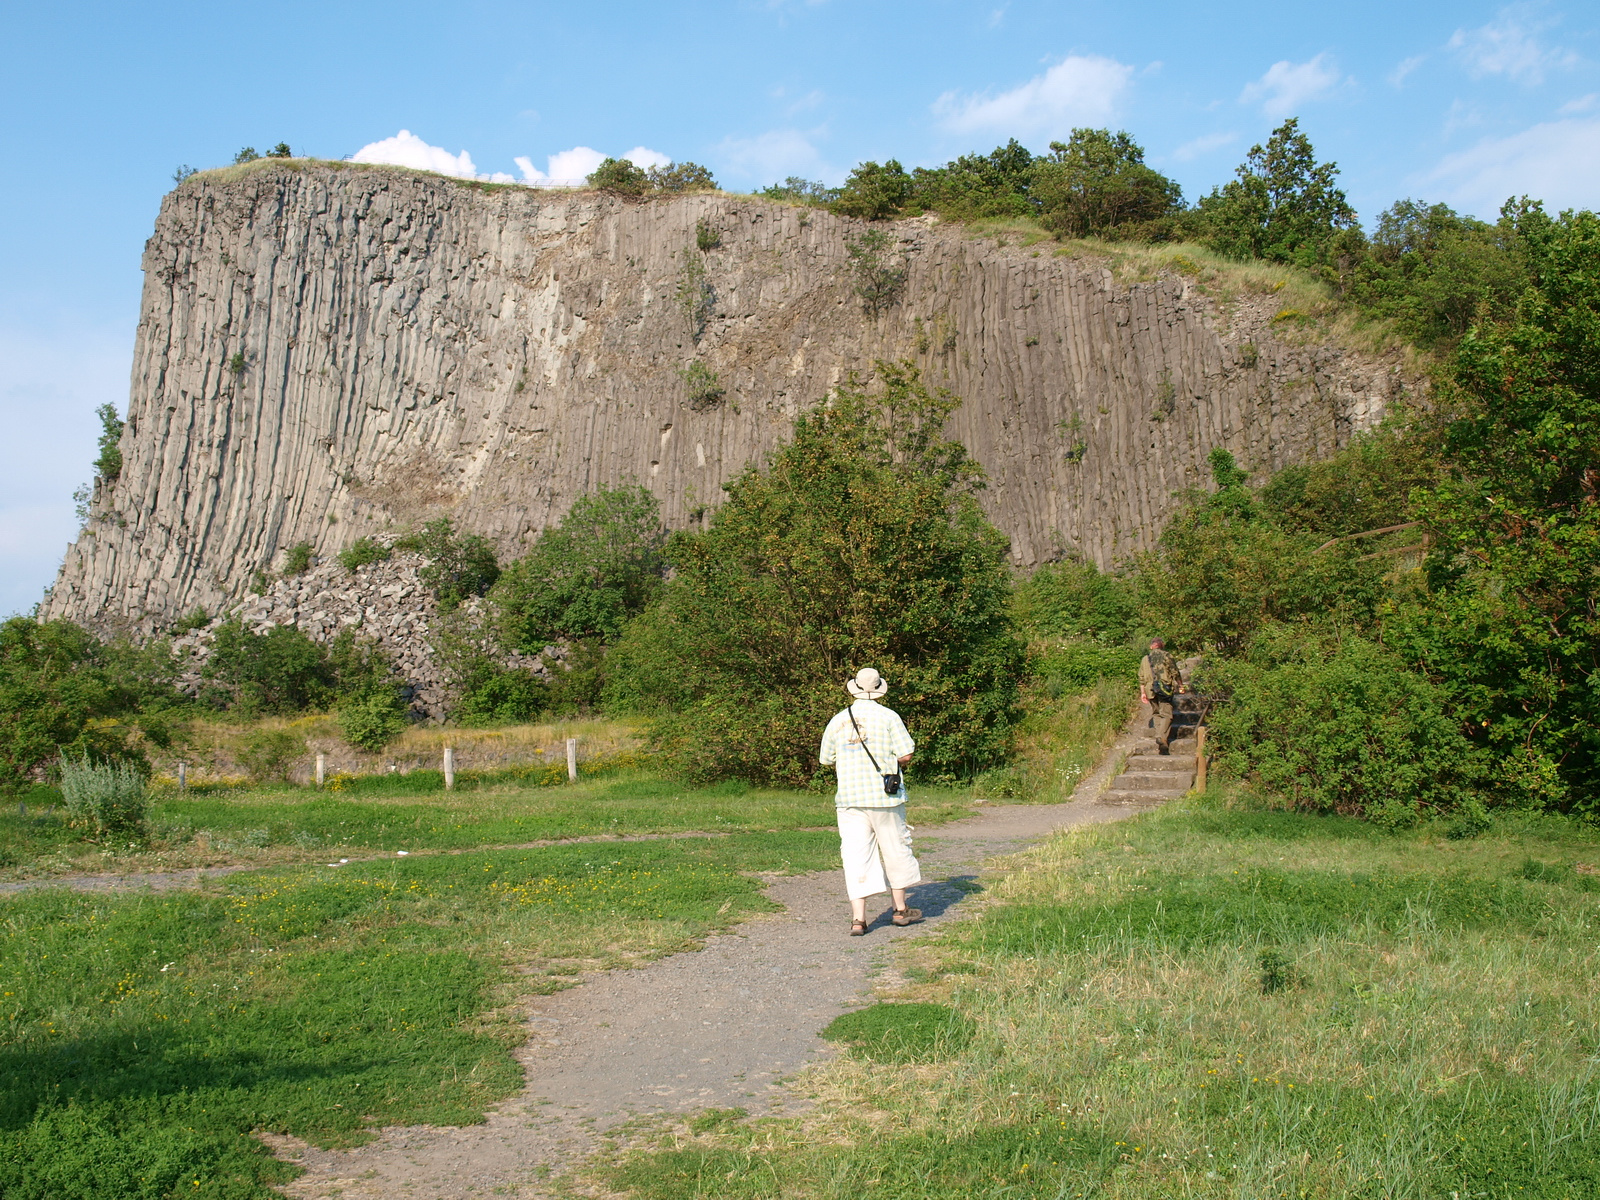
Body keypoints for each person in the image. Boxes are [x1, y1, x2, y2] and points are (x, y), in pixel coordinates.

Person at [818, 667, 922, 936]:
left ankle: (858, 919)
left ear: (854, 687)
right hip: (885, 798)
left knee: (855, 855)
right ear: (878, 688)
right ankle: (899, 910)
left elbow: (826, 759)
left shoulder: (838, 720)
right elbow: (906, 753)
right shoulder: (889, 716)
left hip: (851, 799)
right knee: (896, 849)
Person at [1138, 638, 1184, 754]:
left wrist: (1142, 692)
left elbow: (1141, 678)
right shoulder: (1167, 656)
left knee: (1156, 713)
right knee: (1167, 714)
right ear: (1162, 646)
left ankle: (1161, 738)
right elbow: (1174, 671)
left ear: (1151, 646)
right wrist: (1180, 685)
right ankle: (1161, 737)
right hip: (1164, 689)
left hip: (1150, 689)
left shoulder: (1145, 659)